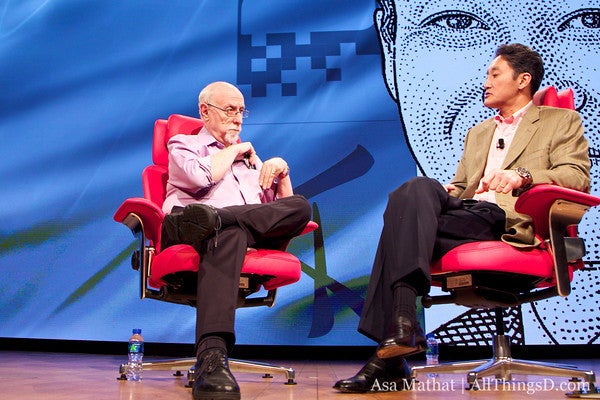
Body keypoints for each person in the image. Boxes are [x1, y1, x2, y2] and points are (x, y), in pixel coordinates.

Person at [333, 43, 590, 393]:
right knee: (416, 191)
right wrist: (447, 192)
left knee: (399, 229)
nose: (486, 82)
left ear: (523, 80)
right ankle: (401, 330)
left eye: (494, 74)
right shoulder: (479, 132)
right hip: (469, 214)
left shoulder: (560, 121)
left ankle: (390, 354)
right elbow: (461, 187)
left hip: (506, 218)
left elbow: (576, 176)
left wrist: (523, 176)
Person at [160, 81, 311, 400]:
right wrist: (236, 149)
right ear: (205, 111)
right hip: (187, 234)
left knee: (299, 205)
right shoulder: (183, 144)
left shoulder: (253, 163)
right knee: (229, 232)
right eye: (230, 110)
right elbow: (201, 178)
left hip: (227, 229)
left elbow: (278, 214)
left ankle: (216, 218)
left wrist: (282, 174)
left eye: (242, 111)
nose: (238, 118)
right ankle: (213, 358)